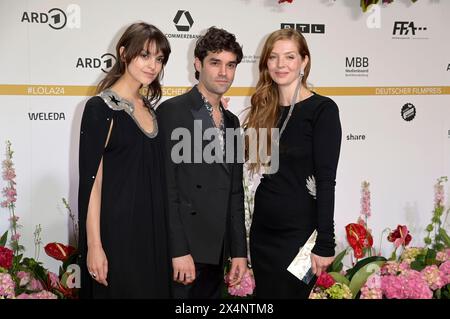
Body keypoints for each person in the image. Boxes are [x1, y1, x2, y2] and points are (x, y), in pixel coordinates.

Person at [77, 22, 172, 298]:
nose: (152, 65)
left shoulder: (151, 109)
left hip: (153, 231)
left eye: (159, 59)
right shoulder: (100, 108)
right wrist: (95, 245)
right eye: (145, 55)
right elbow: (93, 183)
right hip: (117, 233)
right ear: (123, 53)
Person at [245, 28, 342, 299]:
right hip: (264, 233)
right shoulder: (264, 109)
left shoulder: (323, 110)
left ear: (304, 61)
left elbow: (326, 180)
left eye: (289, 57)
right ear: (266, 63)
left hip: (302, 236)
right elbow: (254, 162)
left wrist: (325, 242)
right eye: (274, 57)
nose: (280, 64)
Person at [156, 26, 248, 299]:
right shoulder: (172, 112)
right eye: (215, 63)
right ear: (198, 64)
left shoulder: (232, 122)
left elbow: (234, 192)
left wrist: (239, 252)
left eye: (230, 65)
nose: (224, 72)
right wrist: (178, 250)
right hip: (184, 253)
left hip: (217, 252)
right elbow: (167, 188)